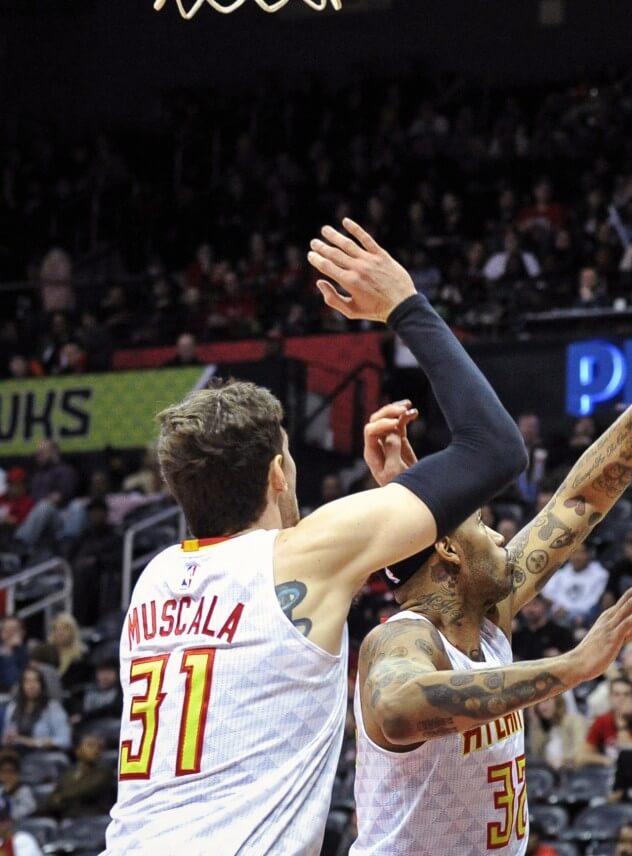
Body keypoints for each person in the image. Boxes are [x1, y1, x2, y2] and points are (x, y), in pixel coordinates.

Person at [105, 217, 530, 854]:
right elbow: (495, 448)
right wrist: (407, 307)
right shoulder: (303, 558)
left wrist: (402, 501)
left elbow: (281, 605)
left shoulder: (155, 579)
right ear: (279, 472)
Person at [349, 268, 632, 854]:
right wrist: (569, 668)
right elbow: (396, 707)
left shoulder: (487, 614)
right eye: (481, 526)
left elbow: (581, 499)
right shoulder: (401, 640)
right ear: (447, 550)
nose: (503, 536)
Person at [43, 732, 115, 819]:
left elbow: (85, 790)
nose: (96, 750)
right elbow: (52, 800)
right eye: (90, 745)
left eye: (99, 747)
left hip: (92, 819)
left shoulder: (105, 772)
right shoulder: (67, 773)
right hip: (67, 819)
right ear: (78, 750)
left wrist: (61, 797)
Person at [541, 542, 609, 628]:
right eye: (574, 553)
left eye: (581, 553)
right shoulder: (561, 574)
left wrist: (569, 611)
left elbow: (594, 601)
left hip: (586, 617)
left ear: (589, 554)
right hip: (560, 615)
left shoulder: (600, 574)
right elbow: (547, 594)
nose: (577, 557)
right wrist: (556, 608)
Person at [2, 667, 70, 753]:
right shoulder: (13, 707)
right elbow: (5, 737)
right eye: (27, 681)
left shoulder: (52, 708)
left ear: (42, 684)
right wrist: (8, 738)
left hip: (43, 755)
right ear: (21, 685)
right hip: (15, 754)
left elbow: (65, 740)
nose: (31, 685)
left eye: (35, 681)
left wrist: (33, 742)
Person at [582, 676, 632, 766]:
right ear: (610, 697)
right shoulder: (602, 720)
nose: (621, 699)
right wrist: (606, 760)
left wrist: (622, 722)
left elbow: (629, 754)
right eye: (617, 694)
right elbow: (582, 755)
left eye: (626, 694)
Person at [525, 695, 587, 771]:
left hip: (571, 772)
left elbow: (580, 752)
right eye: (538, 704)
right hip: (548, 774)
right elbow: (535, 754)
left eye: (546, 701)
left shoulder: (575, 721)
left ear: (557, 701)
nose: (542, 707)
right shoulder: (541, 727)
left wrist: (561, 760)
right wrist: (535, 722)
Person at [512, 595, 577, 661]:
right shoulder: (517, 634)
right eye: (526, 605)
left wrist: (559, 657)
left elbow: (572, 659)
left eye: (535, 604)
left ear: (544, 606)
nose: (530, 609)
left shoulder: (561, 633)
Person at [0, 752, 36, 820]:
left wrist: (8, 794)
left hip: (19, 826)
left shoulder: (24, 791)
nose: (8, 775)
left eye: (11, 771)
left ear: (18, 774)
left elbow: (29, 808)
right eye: (4, 771)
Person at [0, 618, 28, 694]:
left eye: (13, 629)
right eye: (6, 629)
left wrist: (10, 653)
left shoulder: (27, 652)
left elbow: (14, 681)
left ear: (22, 632)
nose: (9, 633)